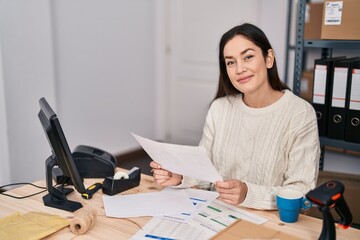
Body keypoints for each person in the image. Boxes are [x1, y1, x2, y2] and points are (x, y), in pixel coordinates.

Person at [150, 23, 320, 210]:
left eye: (248, 57)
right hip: (216, 213)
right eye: (230, 62)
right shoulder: (219, 109)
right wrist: (180, 177)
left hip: (270, 222)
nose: (239, 69)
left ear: (268, 58)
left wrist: (248, 194)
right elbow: (205, 175)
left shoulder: (300, 114)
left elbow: (302, 191)